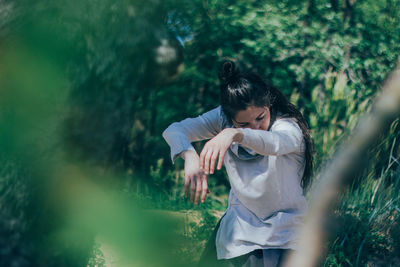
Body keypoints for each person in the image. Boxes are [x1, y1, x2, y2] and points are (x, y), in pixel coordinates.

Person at [162, 59, 314, 267]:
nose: (255, 127)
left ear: (268, 104)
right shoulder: (222, 119)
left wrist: (236, 132)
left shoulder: (288, 127)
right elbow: (174, 130)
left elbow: (274, 143)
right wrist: (189, 155)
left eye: (261, 118)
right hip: (236, 232)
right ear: (230, 117)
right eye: (244, 123)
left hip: (280, 236)